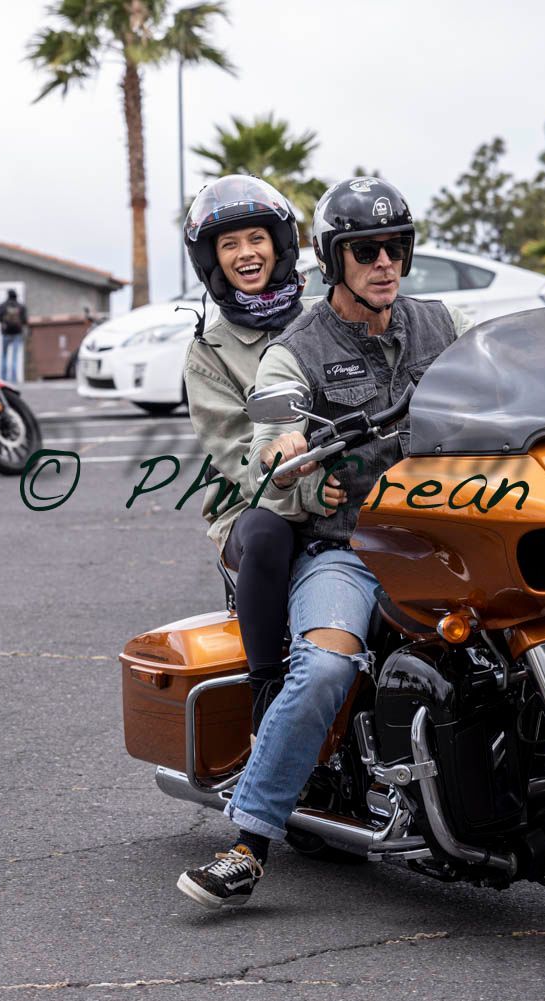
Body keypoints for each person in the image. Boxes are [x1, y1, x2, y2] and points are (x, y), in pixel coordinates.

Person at [177, 176, 473, 910]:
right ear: (333, 258)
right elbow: (258, 449)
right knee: (324, 666)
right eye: (365, 250)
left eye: (395, 247)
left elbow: (519, 374)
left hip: (453, 532)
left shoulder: (446, 321)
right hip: (347, 543)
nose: (384, 263)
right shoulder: (293, 351)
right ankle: (249, 839)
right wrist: (295, 466)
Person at [180, 174, 320, 756]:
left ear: (280, 244)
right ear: (212, 260)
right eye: (229, 244)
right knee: (267, 533)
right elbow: (242, 454)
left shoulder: (326, 316)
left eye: (256, 238)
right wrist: (308, 491)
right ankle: (267, 694)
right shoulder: (209, 353)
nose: (246, 254)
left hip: (355, 484)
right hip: (256, 505)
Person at [0, 289, 29, 383]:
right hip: (17, 333)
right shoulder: (21, 306)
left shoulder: (2, 306)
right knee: (15, 356)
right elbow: (25, 320)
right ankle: (14, 378)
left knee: (4, 356)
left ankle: (3, 378)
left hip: (6, 333)